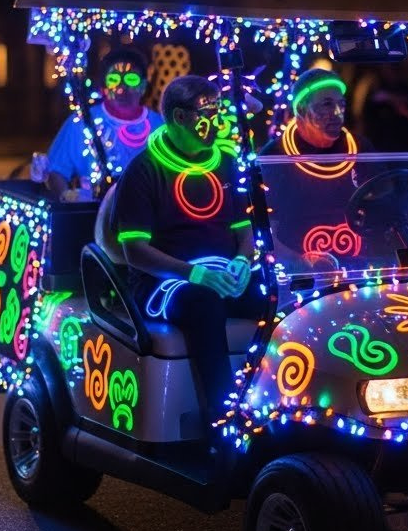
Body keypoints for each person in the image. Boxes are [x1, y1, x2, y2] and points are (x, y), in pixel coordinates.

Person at [111, 74, 258, 421]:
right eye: (206, 112)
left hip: (221, 273)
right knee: (204, 304)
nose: (216, 121)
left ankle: (276, 404)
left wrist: (242, 261)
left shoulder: (225, 164)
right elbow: (135, 251)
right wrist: (195, 273)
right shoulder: (144, 171)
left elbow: (245, 232)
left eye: (219, 111)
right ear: (179, 117)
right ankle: (222, 418)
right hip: (163, 283)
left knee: (278, 297)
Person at [257, 67, 373, 266]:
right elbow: (266, 238)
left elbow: (383, 213)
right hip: (301, 274)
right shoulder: (274, 158)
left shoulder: (360, 149)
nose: (337, 113)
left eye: (341, 105)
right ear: (301, 109)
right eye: (327, 105)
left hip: (358, 268)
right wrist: (303, 264)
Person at [40, 47, 161, 200]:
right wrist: (67, 196)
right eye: (113, 80)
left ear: (143, 86)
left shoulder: (160, 126)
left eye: (131, 79)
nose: (121, 88)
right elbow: (55, 171)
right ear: (103, 88)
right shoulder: (81, 123)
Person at [357, 63, 408, 153]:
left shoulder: (407, 89)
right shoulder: (374, 88)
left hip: (402, 143)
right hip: (379, 142)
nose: (391, 73)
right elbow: (365, 114)